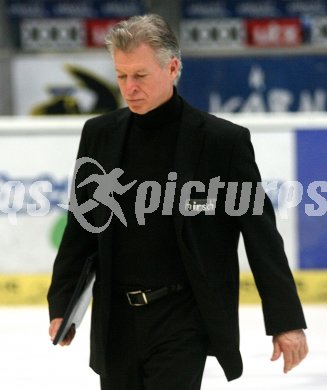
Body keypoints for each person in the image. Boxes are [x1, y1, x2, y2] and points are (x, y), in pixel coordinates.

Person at [48, 14, 308, 390]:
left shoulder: (222, 142)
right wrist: (63, 304)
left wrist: (286, 321)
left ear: (172, 68)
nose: (129, 88)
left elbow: (260, 234)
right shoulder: (99, 134)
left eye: (140, 75)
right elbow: (81, 226)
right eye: (121, 76)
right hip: (116, 320)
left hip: (183, 318)